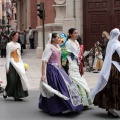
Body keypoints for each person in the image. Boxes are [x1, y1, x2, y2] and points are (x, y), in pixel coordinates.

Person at [39, 33, 83, 115]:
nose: (59, 39)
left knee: (66, 85)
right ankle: (56, 108)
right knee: (55, 87)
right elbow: (44, 61)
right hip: (52, 69)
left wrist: (66, 68)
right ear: (53, 39)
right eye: (58, 37)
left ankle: (64, 106)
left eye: (59, 38)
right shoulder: (49, 47)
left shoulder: (58, 47)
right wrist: (43, 74)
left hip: (59, 69)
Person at [90, 28, 120, 118]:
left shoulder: (110, 43)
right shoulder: (117, 44)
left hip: (109, 67)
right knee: (114, 87)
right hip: (114, 68)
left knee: (109, 87)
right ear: (118, 35)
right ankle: (111, 108)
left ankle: (109, 107)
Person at [65, 28, 92, 108]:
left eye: (77, 33)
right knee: (75, 80)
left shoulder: (76, 42)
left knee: (81, 80)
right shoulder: (68, 43)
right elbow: (67, 55)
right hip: (71, 64)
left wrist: (80, 59)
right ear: (70, 34)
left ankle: (84, 101)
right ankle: (78, 101)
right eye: (75, 33)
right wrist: (69, 66)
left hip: (77, 63)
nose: (77, 34)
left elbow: (78, 53)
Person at [3, 31, 30, 101]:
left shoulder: (18, 45)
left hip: (18, 63)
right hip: (12, 63)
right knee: (12, 80)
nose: (18, 37)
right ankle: (6, 91)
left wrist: (22, 64)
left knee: (19, 79)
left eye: (18, 35)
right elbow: (8, 56)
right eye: (16, 35)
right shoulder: (9, 45)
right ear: (13, 36)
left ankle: (17, 95)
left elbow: (19, 55)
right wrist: (7, 67)